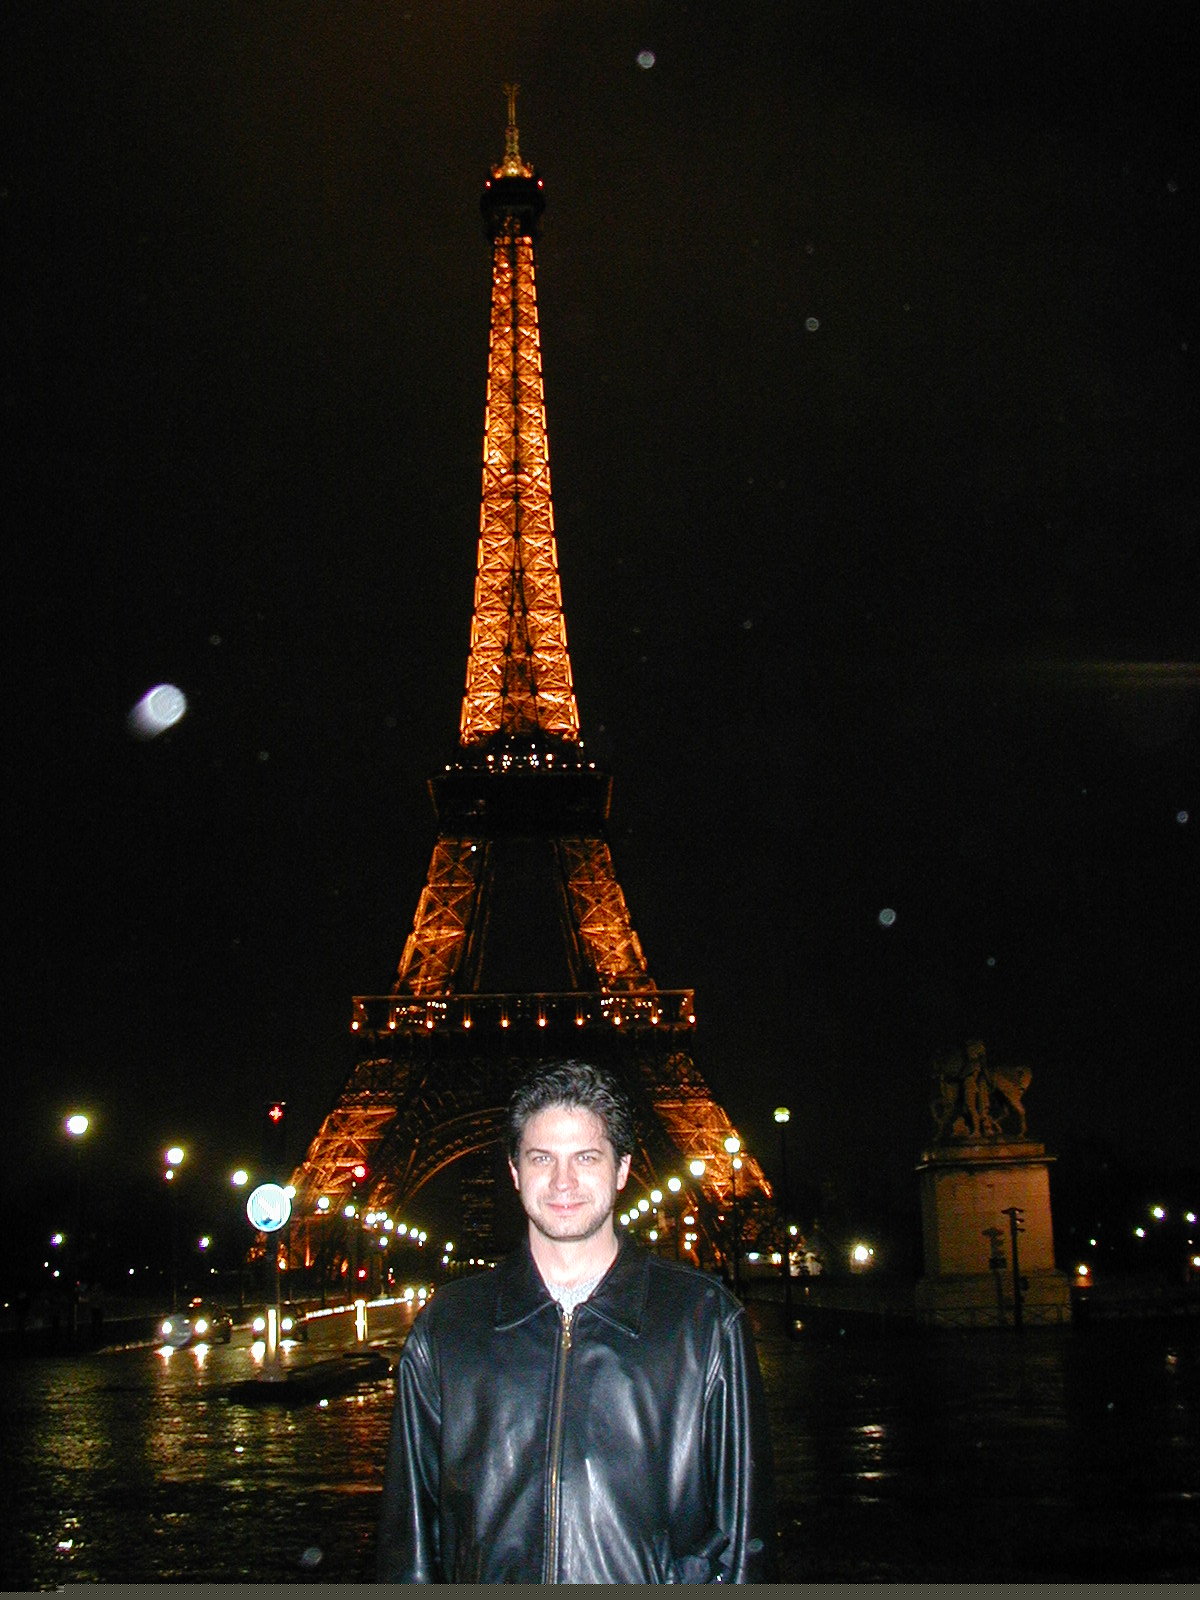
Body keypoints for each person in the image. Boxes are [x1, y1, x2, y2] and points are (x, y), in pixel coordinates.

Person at [375, 1059, 777, 1583]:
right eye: (542, 1158)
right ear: (515, 1172)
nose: (563, 1181)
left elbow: (743, 1544)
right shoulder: (446, 1327)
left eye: (586, 1157)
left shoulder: (705, 1321)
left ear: (622, 1169)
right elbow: (410, 1543)